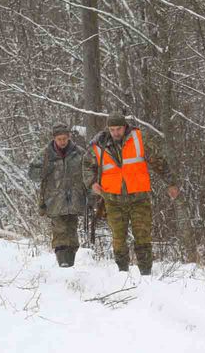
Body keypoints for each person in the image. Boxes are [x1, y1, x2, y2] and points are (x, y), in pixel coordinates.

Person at [83, 112, 179, 275]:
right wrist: (92, 183)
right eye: (112, 130)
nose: (116, 133)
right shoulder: (98, 145)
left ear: (125, 126)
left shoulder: (139, 138)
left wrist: (170, 183)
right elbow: (86, 165)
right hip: (112, 200)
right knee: (118, 240)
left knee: (143, 237)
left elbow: (158, 161)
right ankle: (123, 274)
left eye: (118, 129)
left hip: (139, 198)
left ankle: (146, 274)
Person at [28, 123, 86, 267]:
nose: (62, 142)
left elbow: (89, 171)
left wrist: (89, 196)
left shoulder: (79, 153)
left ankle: (70, 261)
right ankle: (63, 262)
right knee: (59, 230)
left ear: (69, 137)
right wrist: (44, 171)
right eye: (59, 139)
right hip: (54, 199)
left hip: (75, 198)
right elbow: (32, 174)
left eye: (64, 138)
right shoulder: (45, 154)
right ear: (54, 138)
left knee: (72, 229)